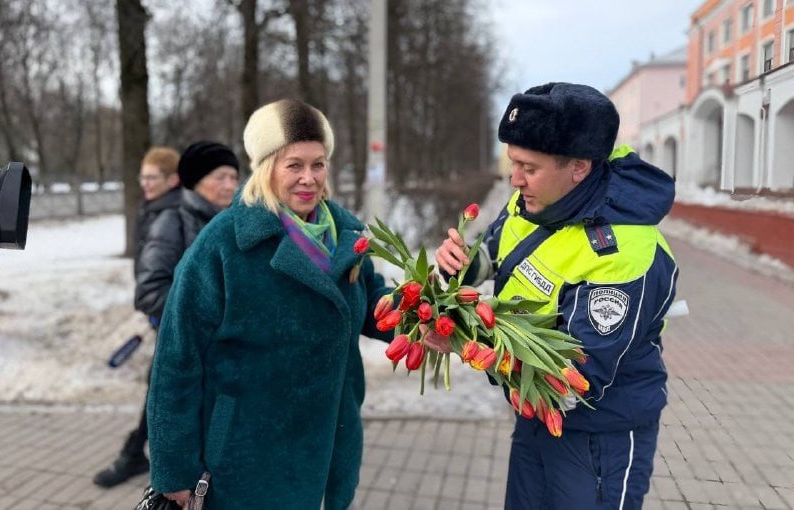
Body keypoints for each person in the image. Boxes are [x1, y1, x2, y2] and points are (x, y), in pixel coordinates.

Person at [432, 82, 678, 509]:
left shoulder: (621, 251)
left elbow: (572, 381)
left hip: (597, 438)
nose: (515, 179)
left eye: (529, 167)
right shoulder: (535, 200)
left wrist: (463, 341)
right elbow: (499, 252)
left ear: (579, 167)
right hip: (535, 418)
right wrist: (463, 263)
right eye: (513, 162)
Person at [146, 99, 393, 510]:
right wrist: (175, 469)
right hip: (246, 459)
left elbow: (371, 301)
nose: (309, 178)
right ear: (266, 167)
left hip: (329, 442)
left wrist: (423, 312)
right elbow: (177, 358)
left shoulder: (345, 234)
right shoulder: (224, 243)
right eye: (294, 165)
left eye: (318, 164)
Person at [93, 141, 240, 488]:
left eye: (234, 177)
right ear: (195, 181)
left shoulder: (229, 221)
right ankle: (150, 468)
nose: (230, 186)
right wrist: (206, 314)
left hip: (221, 351)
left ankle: (143, 459)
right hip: (183, 343)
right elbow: (150, 291)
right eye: (220, 177)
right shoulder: (172, 220)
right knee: (167, 405)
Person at [93, 145, 182, 488]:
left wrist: (162, 308)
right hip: (162, 317)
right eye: (143, 177)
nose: (145, 183)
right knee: (161, 389)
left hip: (173, 320)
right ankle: (138, 454)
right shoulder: (154, 209)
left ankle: (135, 454)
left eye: (153, 177)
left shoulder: (172, 215)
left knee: (161, 391)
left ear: (173, 180)